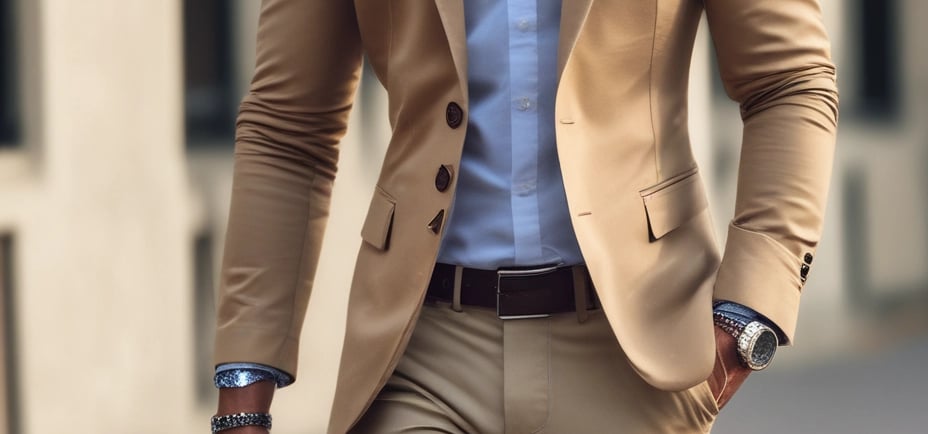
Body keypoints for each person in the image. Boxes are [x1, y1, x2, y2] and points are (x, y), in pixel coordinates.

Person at [210, 0, 838, 432]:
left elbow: (789, 80)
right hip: (425, 353)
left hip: (633, 348)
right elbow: (287, 131)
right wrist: (244, 394)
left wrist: (749, 312)